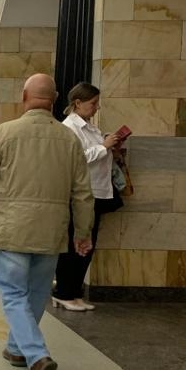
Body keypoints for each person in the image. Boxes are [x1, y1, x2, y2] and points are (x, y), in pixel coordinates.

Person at [0, 73, 94, 370]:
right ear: (55, 99)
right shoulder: (69, 140)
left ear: (23, 96)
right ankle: (17, 349)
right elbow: (82, 193)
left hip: (11, 228)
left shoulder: (3, 133)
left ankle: (37, 356)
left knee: (13, 294)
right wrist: (83, 231)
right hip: (51, 231)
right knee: (36, 293)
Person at [53, 83, 122, 311]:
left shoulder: (90, 128)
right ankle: (63, 291)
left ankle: (74, 291)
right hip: (82, 194)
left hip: (98, 191)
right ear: (78, 103)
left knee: (88, 245)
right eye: (93, 103)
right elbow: (77, 158)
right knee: (76, 243)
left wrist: (110, 145)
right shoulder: (69, 128)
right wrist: (103, 147)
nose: (96, 107)